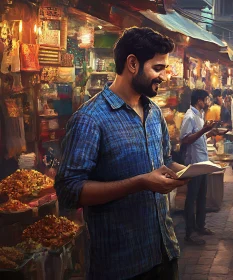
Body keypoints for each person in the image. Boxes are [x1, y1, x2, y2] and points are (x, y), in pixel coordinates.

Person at [55, 27, 187, 279]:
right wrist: (140, 183)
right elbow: (68, 191)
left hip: (164, 252)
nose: (164, 76)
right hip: (120, 266)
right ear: (133, 64)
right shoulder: (90, 119)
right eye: (158, 68)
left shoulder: (154, 113)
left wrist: (188, 170)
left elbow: (164, 161)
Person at [180, 89, 225, 245]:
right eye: (206, 99)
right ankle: (189, 232)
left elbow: (198, 137)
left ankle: (200, 226)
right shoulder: (190, 116)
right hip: (194, 163)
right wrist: (204, 130)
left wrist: (209, 133)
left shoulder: (199, 115)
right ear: (199, 100)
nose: (207, 102)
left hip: (202, 161)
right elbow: (185, 139)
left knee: (201, 196)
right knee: (192, 197)